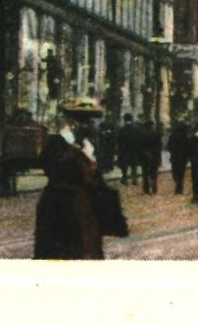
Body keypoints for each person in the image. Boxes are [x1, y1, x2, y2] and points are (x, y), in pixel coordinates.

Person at [33, 99, 108, 260]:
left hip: (84, 206)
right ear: (71, 122)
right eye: (81, 121)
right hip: (60, 204)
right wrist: (80, 156)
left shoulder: (89, 144)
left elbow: (97, 175)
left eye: (89, 121)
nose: (87, 126)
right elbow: (52, 168)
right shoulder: (57, 143)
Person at [168, 115, 192, 195]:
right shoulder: (185, 137)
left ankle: (178, 185)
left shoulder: (173, 136)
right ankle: (179, 187)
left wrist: (171, 150)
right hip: (182, 157)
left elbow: (169, 145)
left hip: (175, 156)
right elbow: (189, 147)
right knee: (180, 173)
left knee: (175, 172)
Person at [139, 119, 163, 194]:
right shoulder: (156, 134)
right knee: (154, 172)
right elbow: (159, 146)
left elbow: (139, 146)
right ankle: (154, 187)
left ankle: (146, 188)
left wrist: (145, 152)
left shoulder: (142, 135)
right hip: (154, 156)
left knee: (145, 173)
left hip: (144, 156)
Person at [119, 114, 140, 185]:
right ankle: (134, 179)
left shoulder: (122, 129)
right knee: (134, 165)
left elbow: (119, 141)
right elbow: (139, 139)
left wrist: (119, 150)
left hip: (124, 150)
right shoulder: (136, 129)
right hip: (134, 150)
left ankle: (124, 178)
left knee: (124, 165)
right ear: (131, 119)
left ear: (124, 120)